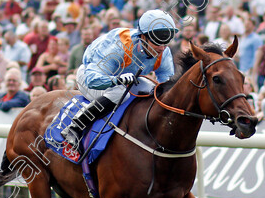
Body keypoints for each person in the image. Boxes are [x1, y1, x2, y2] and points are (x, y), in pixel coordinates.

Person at [62, 9, 178, 150]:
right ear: (143, 37)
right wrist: (116, 80)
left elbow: (167, 85)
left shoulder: (164, 52)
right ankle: (75, 127)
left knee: (151, 90)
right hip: (90, 77)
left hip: (128, 81)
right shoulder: (119, 46)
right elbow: (91, 79)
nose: (162, 48)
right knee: (119, 92)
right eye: (157, 42)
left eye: (166, 43)